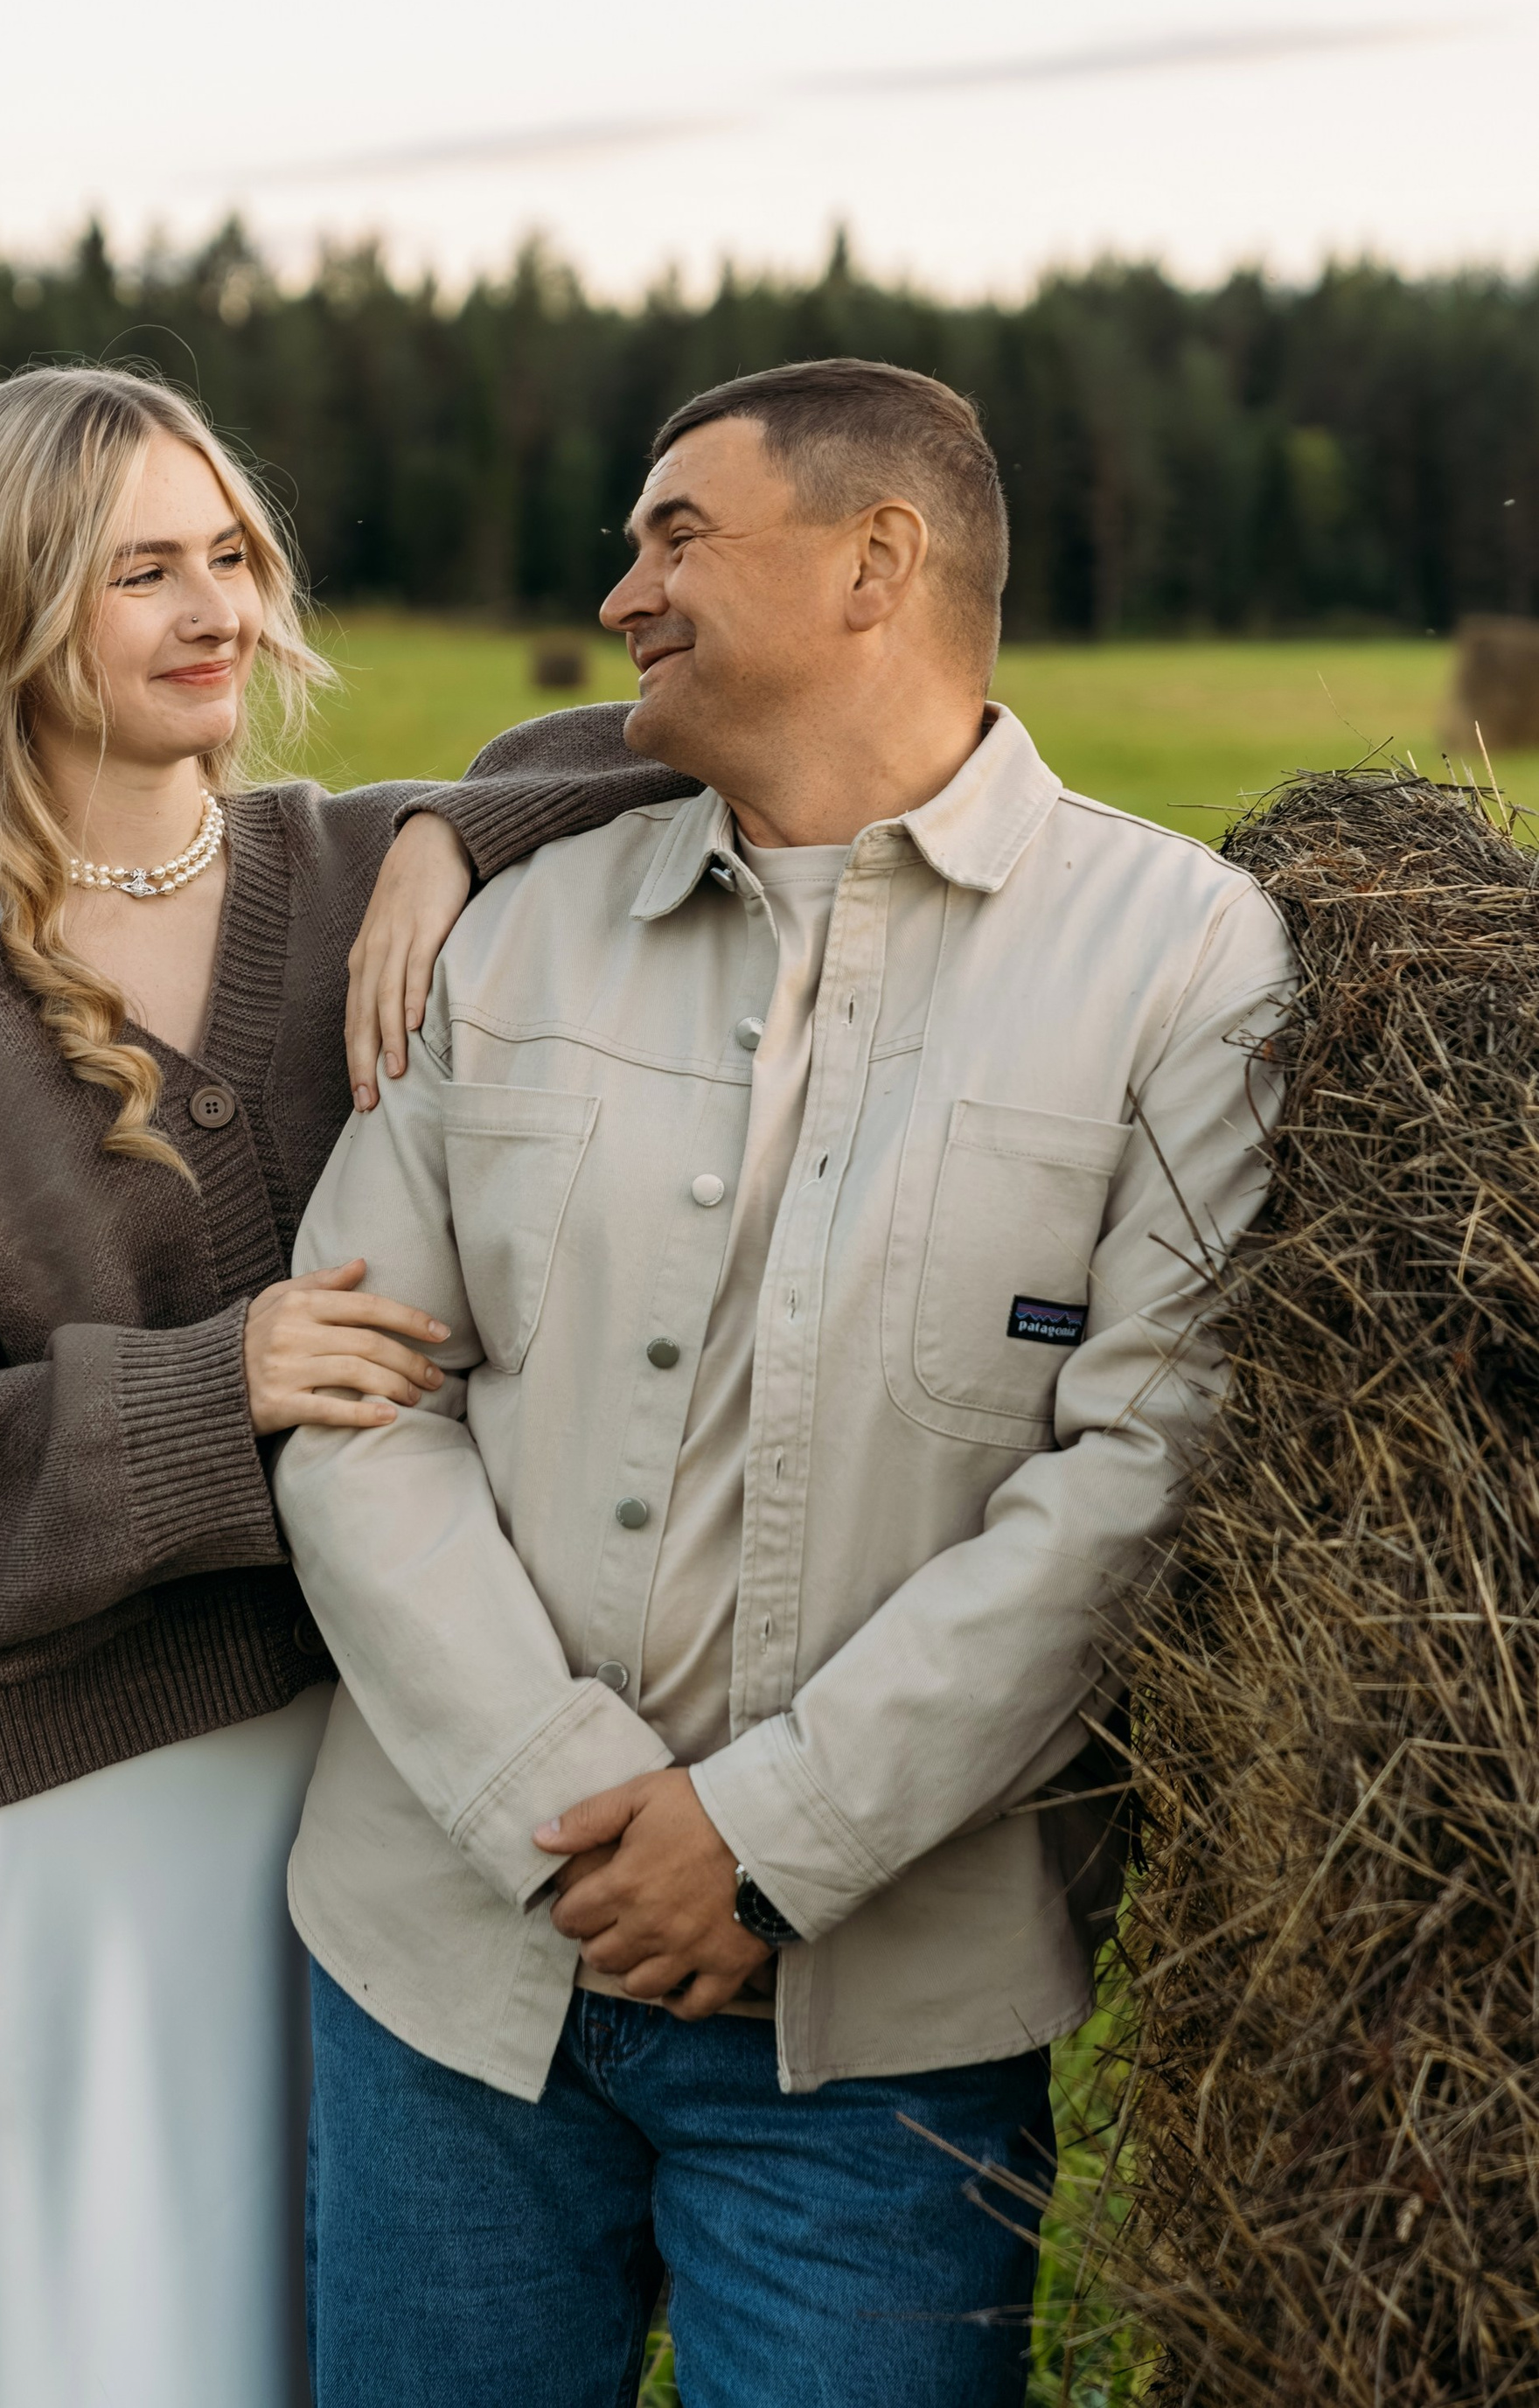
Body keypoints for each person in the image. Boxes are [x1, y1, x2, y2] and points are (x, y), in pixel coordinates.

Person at [275, 358, 1296, 2408]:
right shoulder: (514, 933)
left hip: (883, 2036)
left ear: (873, 562)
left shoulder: (1184, 961)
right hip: (442, 1984)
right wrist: (565, 1808)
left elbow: (1141, 1471)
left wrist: (766, 1842)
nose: (620, 591)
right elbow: (355, 1391)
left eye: (671, 534)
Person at [0, 362, 674, 2408]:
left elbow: (668, 755)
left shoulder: (333, 875)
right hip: (51, 1807)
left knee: (276, 2328)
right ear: (7, 613)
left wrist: (435, 838)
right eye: (140, 571)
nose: (213, 608)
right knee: (81, 2340)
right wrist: (198, 1391)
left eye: (226, 554)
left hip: (354, 1775)